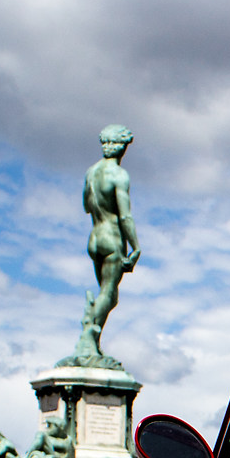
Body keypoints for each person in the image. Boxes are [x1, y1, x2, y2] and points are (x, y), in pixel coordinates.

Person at [66, 123, 140, 366]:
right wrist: (135, 246)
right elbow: (124, 216)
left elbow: (87, 207)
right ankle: (88, 336)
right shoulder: (118, 175)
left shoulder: (91, 173)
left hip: (95, 237)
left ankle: (92, 340)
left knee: (103, 293)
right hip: (112, 238)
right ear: (123, 148)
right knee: (110, 294)